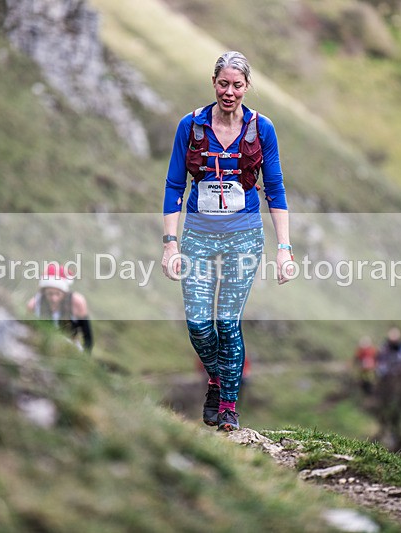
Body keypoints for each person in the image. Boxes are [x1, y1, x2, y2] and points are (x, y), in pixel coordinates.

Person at [161, 51, 293, 432]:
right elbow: (174, 186)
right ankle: (217, 379)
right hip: (198, 235)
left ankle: (229, 407)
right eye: (223, 84)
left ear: (247, 87)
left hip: (245, 237)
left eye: (237, 85)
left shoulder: (261, 128)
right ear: (214, 83)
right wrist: (170, 243)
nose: (229, 92)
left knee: (227, 322)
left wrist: (284, 249)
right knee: (200, 324)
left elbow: (276, 190)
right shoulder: (191, 126)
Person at [27, 263, 93, 352]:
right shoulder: (34, 305)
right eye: (50, 294)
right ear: (43, 292)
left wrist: (86, 357)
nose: (54, 299)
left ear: (64, 292)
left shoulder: (77, 302)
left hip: (70, 348)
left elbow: (87, 337)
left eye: (58, 294)